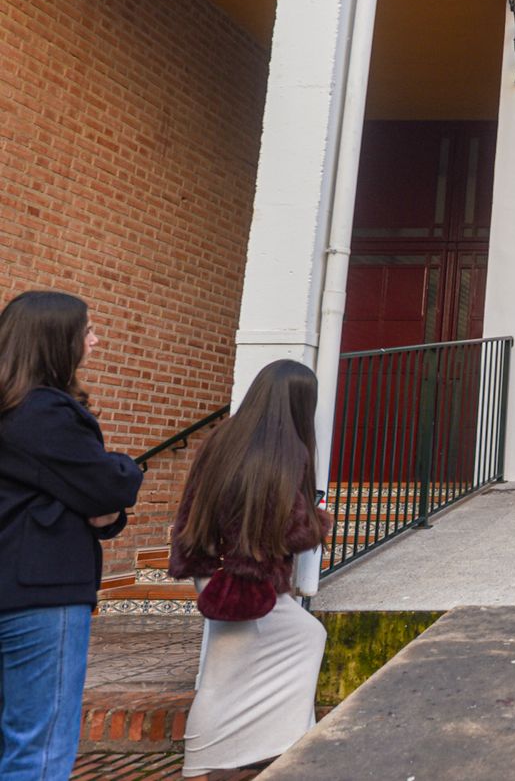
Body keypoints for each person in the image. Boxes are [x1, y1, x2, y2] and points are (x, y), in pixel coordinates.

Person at [0, 290, 143, 781]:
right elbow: (110, 483)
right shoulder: (43, 412)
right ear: (57, 342)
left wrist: (98, 506)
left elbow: (92, 499)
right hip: (41, 592)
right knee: (38, 747)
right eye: (87, 331)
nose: (96, 341)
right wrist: (120, 473)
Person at [168, 359, 332, 778]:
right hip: (249, 577)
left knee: (246, 657)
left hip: (215, 570)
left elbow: (192, 507)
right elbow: (289, 528)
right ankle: (211, 759)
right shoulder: (285, 450)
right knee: (241, 663)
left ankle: (265, 745)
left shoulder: (225, 438)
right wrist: (321, 521)